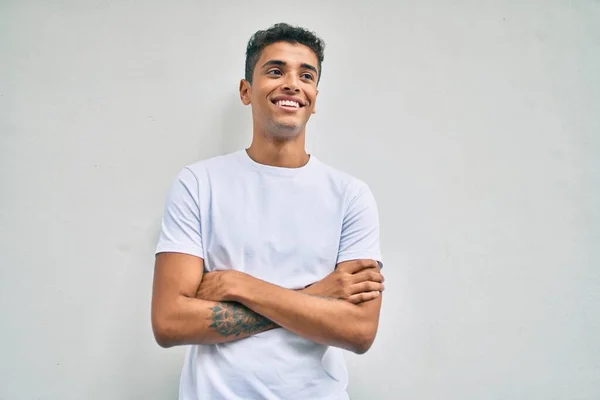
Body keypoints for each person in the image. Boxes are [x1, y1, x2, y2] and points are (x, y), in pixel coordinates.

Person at [151, 22, 385, 400]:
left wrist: (241, 286)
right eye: (275, 71)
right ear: (246, 91)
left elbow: (359, 332)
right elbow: (169, 322)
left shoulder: (351, 196)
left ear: (315, 97)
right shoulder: (198, 183)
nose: (292, 84)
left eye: (305, 75)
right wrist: (318, 294)